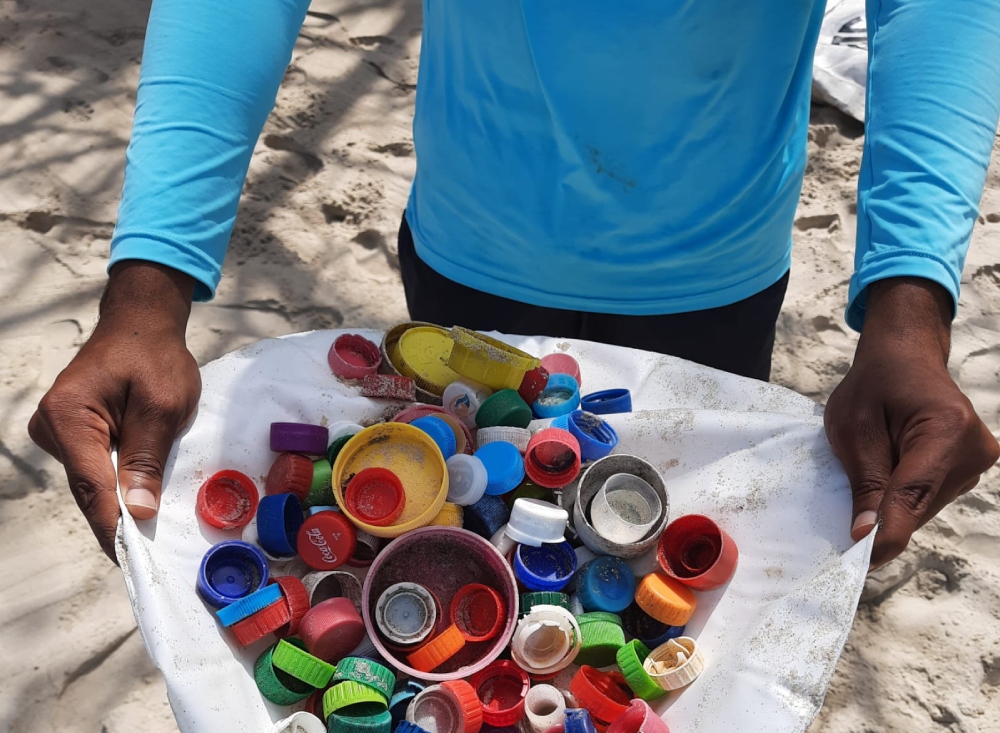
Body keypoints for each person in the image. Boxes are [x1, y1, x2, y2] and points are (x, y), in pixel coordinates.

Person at [28, 0, 1000, 568]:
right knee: (469, 529)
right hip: (466, 260)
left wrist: (909, 316)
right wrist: (146, 294)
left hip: (713, 287)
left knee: (642, 561)